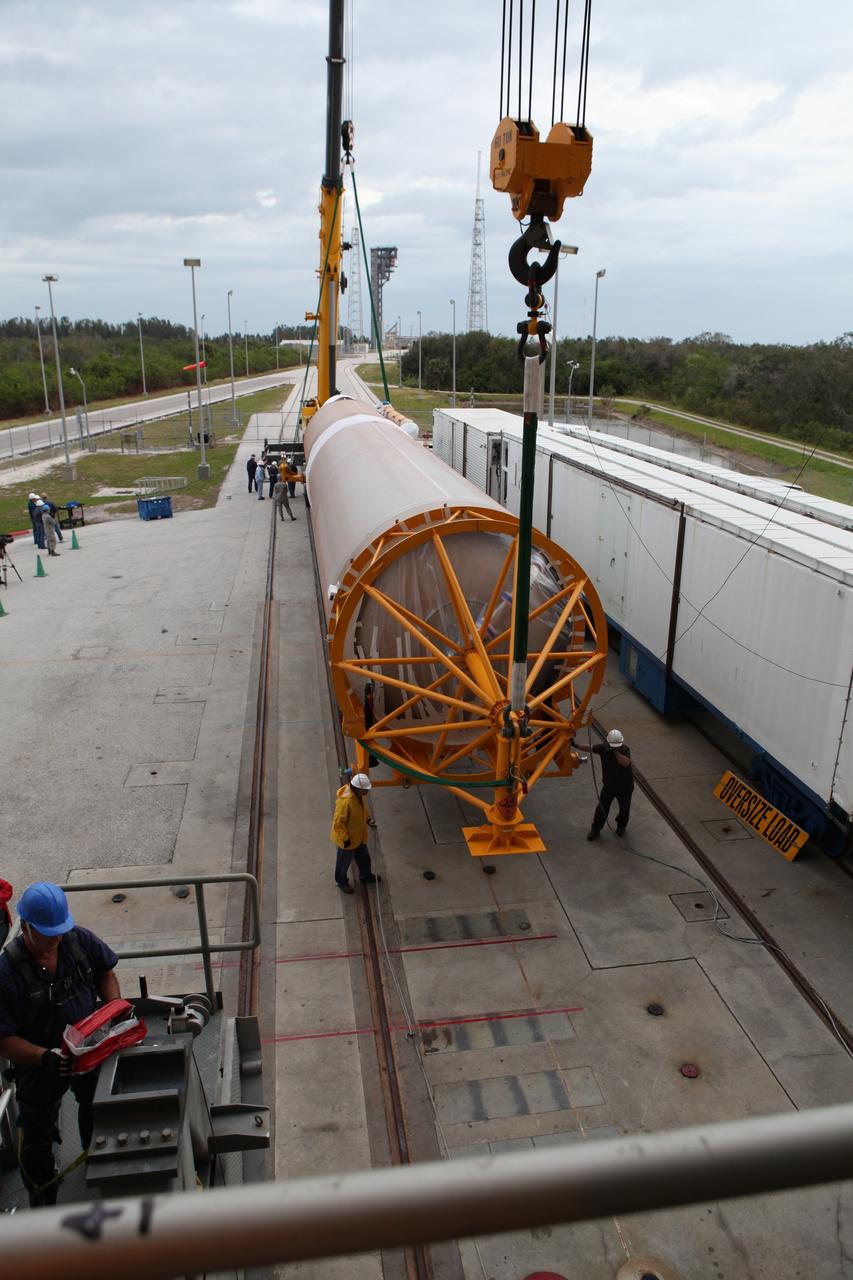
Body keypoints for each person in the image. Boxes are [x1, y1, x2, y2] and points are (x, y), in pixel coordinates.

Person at [0, 882, 120, 1207]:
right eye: (47, 933)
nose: (56, 939)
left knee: (97, 1105)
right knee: (37, 1136)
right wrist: (45, 1057)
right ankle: (44, 1197)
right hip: (42, 1065)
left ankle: (96, 1157)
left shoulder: (77, 941)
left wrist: (113, 1011)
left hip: (88, 1050)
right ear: (25, 926)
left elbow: (105, 971)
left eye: (59, 931)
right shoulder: (8, 971)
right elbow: (4, 1040)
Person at [330, 773, 380, 894]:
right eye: (365, 789)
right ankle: (341, 882)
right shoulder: (345, 802)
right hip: (347, 841)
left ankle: (365, 875)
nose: (367, 792)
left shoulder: (358, 797)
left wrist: (368, 819)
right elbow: (338, 823)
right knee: (343, 863)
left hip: (359, 836)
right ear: (358, 788)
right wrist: (345, 839)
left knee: (364, 858)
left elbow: (362, 811)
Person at [586, 729, 634, 840]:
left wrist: (615, 752)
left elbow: (626, 763)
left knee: (624, 808)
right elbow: (591, 747)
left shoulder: (624, 749)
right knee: (602, 807)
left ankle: (621, 826)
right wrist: (575, 745)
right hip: (609, 786)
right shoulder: (604, 748)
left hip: (625, 787)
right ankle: (596, 829)